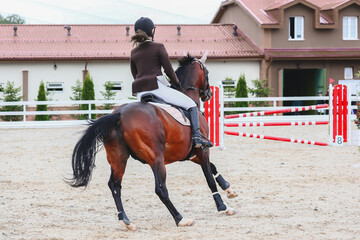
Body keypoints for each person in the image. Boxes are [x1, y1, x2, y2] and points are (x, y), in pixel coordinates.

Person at [129, 17, 213, 149]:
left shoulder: (133, 52)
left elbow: (135, 74)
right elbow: (168, 70)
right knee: (191, 105)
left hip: (140, 93)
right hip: (157, 88)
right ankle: (197, 137)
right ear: (152, 31)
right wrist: (176, 83)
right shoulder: (158, 47)